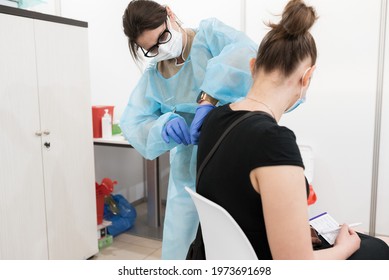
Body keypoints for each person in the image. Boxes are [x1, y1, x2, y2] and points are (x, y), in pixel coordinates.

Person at [197, 0, 389, 259]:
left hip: (222, 256)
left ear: (253, 66)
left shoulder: (215, 119)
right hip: (260, 263)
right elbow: (295, 266)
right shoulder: (273, 141)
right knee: (374, 249)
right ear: (306, 77)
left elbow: (240, 204)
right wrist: (345, 248)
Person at [120, 0, 257, 259]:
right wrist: (163, 126)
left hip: (231, 153)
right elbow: (132, 122)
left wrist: (209, 99)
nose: (161, 48)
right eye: (152, 48)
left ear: (170, 14)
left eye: (163, 36)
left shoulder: (209, 36)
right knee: (181, 245)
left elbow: (246, 53)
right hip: (188, 169)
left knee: (234, 241)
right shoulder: (154, 77)